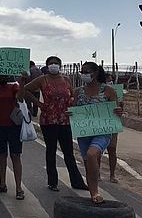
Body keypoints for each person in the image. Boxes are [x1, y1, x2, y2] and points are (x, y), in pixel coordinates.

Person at [24, 56, 87, 192]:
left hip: (64, 120)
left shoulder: (66, 80)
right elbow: (25, 90)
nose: (54, 65)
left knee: (68, 152)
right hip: (48, 120)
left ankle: (77, 181)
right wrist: (38, 104)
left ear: (60, 65)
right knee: (51, 150)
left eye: (56, 63)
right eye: (51, 63)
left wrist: (73, 106)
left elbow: (72, 95)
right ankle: (52, 182)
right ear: (47, 66)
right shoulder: (43, 79)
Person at [71, 62, 123, 203]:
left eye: (86, 71)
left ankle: (95, 192)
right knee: (88, 162)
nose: (83, 74)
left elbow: (117, 110)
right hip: (84, 132)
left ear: (95, 73)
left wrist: (118, 112)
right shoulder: (78, 91)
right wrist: (70, 113)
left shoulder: (108, 91)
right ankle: (93, 189)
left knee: (92, 153)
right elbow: (73, 108)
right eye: (82, 71)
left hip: (103, 132)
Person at [0, 73, 25, 199]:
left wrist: (22, 81)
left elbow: (20, 98)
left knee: (15, 155)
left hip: (14, 126)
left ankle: (19, 188)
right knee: (1, 155)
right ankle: (2, 184)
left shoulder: (14, 87)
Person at [105, 72, 121, 183]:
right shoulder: (98, 92)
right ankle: (98, 174)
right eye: (107, 81)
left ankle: (112, 174)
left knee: (112, 149)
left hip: (112, 122)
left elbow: (120, 109)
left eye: (111, 80)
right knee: (97, 151)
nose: (110, 83)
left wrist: (119, 109)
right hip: (99, 123)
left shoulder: (116, 92)